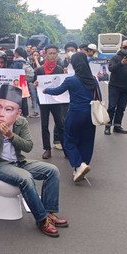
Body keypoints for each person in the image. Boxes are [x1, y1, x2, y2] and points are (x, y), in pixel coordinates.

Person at [0, 84, 67, 237]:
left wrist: (11, 136)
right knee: (26, 178)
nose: (1, 114)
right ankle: (42, 219)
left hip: (19, 162)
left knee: (52, 171)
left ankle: (49, 212)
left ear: (18, 113)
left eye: (8, 109)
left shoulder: (21, 123)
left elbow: (28, 147)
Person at [44, 52, 100, 182]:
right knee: (87, 141)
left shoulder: (71, 80)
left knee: (69, 140)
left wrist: (46, 90)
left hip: (75, 113)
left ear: (74, 65)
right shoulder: (93, 79)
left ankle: (79, 165)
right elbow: (98, 95)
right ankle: (82, 166)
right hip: (90, 114)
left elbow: (57, 90)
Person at [33, 45, 67, 159]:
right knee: (44, 124)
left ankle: (65, 147)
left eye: (54, 53)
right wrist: (35, 85)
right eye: (50, 53)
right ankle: (47, 149)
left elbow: (63, 84)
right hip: (44, 101)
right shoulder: (39, 70)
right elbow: (34, 84)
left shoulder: (60, 69)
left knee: (60, 124)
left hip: (56, 100)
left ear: (57, 55)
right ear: (45, 55)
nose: (52, 56)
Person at [105, 40, 127, 135]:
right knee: (112, 107)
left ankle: (117, 125)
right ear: (121, 48)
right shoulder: (115, 58)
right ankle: (108, 126)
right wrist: (121, 63)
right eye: (125, 47)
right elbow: (111, 68)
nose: (126, 49)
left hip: (126, 88)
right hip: (115, 86)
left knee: (121, 108)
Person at [13, 47, 36, 118]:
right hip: (23, 81)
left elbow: (15, 72)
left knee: (17, 97)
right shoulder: (25, 61)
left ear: (17, 53)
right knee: (24, 97)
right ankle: (25, 113)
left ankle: (18, 113)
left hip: (18, 81)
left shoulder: (17, 62)